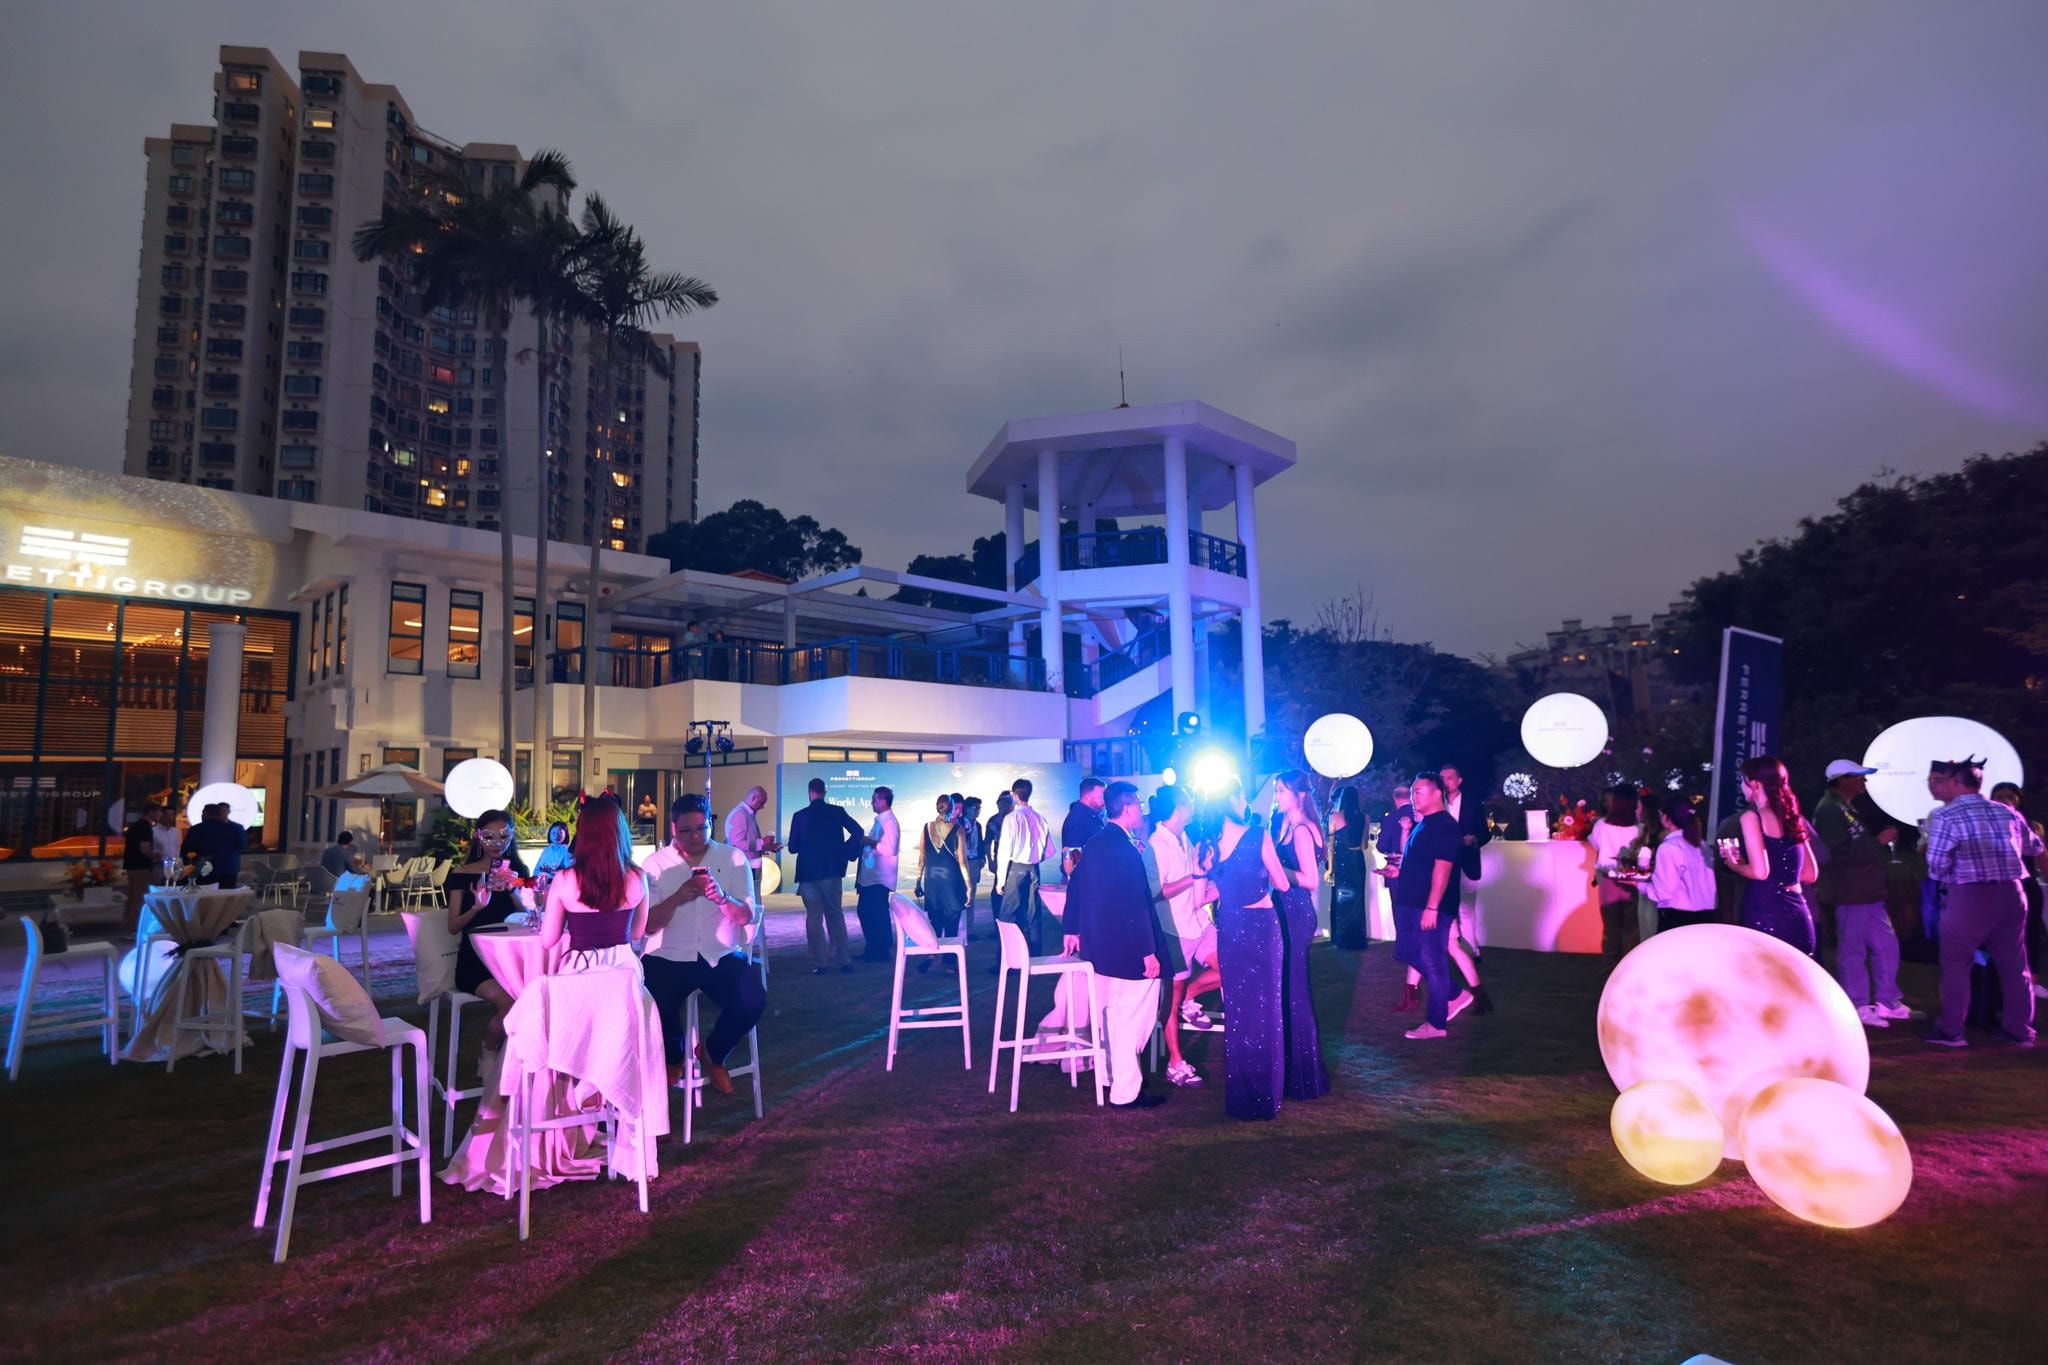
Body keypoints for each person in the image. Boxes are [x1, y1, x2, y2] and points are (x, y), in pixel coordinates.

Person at [642, 794, 765, 1091]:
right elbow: (647, 926)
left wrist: (722, 898)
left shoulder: (732, 858)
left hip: (718, 953)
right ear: (673, 829)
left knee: (753, 998)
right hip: (666, 954)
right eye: (686, 830)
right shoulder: (655, 865)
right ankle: (673, 1056)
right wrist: (679, 896)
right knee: (653, 1000)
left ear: (710, 824)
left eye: (701, 828)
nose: (695, 836)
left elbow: (746, 916)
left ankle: (714, 1051)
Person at [1062, 781, 1169, 1109]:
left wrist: (1072, 927)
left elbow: (1076, 885)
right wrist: (1147, 951)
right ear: (1126, 807)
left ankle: (1114, 1074)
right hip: (1128, 947)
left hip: (1104, 945)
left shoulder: (1097, 843)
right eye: (1137, 802)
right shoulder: (1123, 849)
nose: (1141, 808)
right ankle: (1124, 1087)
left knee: (1121, 1012)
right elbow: (1134, 904)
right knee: (1130, 1014)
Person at [1922, 758, 2042, 1047]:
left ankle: (1951, 1030)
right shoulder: (2007, 811)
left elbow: (1935, 865)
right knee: (2014, 963)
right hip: (2012, 893)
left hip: (1970, 894)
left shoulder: (1947, 817)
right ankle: (2019, 1029)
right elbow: (2034, 846)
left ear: (1955, 782)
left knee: (1955, 963)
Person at [1198, 777, 1297, 1118]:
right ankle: (1265, 1094)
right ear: (1234, 797)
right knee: (1267, 1008)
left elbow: (1201, 897)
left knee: (1237, 1011)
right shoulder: (1258, 835)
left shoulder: (1207, 843)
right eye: (1242, 796)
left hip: (1230, 926)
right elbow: (1282, 883)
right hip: (1261, 927)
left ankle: (1241, 1095)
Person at [1812, 759, 1910, 1027]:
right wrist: (1878, 841)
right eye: (1858, 777)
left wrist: (1875, 844)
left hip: (1866, 890)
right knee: (1853, 949)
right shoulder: (1829, 810)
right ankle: (1857, 1004)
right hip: (1850, 890)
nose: (1863, 782)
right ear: (1841, 779)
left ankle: (1887, 1001)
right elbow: (1834, 854)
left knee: (1886, 944)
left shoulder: (1843, 807)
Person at [1392, 772, 1475, 1039]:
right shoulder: (1424, 823)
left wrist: (1432, 907)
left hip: (1428, 907)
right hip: (1409, 902)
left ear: (1437, 793)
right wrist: (1396, 872)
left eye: (1419, 791)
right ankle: (1454, 993)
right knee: (1406, 952)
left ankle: (1436, 1024)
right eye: (1413, 791)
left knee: (1433, 961)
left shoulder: (1444, 825)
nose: (1413, 797)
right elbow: (1420, 864)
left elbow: (1443, 867)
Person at [1148, 784, 1217, 1087]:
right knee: (1170, 1001)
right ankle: (1176, 1063)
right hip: (1173, 930)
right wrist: (1195, 876)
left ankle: (1192, 997)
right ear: (1179, 807)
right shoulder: (1156, 843)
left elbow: (1197, 881)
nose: (1193, 807)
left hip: (1198, 921)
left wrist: (1207, 874)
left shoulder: (1185, 837)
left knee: (1233, 965)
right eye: (1189, 802)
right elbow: (1156, 892)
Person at [1718, 756, 1820, 956]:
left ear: (1755, 784)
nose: (1742, 786)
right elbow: (1810, 874)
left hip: (1765, 909)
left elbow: (1760, 872)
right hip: (1797, 912)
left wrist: (1733, 863)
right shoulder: (1794, 819)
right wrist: (1782, 871)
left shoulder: (1752, 817)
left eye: (1743, 780)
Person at [444, 809, 531, 1044]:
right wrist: (476, 908)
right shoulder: (462, 874)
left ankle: (520, 1065)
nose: (497, 843)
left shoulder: (517, 872)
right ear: (478, 836)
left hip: (512, 957)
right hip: (476, 961)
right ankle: (490, 1055)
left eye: (503, 836)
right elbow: (453, 926)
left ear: (512, 837)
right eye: (489, 836)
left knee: (538, 999)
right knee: (512, 1005)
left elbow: (527, 919)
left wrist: (513, 889)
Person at [1270, 771, 1331, 1099]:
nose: (1277, 796)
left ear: (1300, 795)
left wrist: (1277, 871)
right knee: (1286, 988)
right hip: (1284, 910)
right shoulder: (1284, 826)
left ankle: (1304, 1074)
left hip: (1295, 913)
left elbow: (1310, 880)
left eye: (1282, 791)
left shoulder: (1304, 831)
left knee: (1295, 990)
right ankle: (1291, 1065)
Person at [538, 793, 646, 972]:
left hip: (582, 968)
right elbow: (636, 933)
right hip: (624, 970)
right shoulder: (638, 876)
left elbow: (548, 940)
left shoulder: (564, 879)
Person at [786, 777, 865, 974]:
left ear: (809, 792)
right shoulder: (837, 812)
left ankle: (820, 963)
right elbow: (858, 831)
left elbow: (793, 847)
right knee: (835, 915)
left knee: (814, 918)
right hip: (831, 871)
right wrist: (845, 850)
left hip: (807, 873)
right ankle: (845, 960)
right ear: (824, 792)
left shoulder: (799, 816)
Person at [1989, 781, 2047, 999]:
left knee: (2031, 933)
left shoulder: (2031, 825)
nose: (2006, 800)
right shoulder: (1986, 823)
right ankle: (1999, 981)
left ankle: (2032, 980)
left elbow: (2041, 858)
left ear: (2019, 800)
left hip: (2027, 884)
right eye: (2000, 795)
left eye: (2010, 796)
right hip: (1999, 885)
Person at [992, 778, 1054, 958]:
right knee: (1033, 913)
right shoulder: (1040, 818)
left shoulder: (1012, 818)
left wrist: (1000, 880)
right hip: (1034, 869)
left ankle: (1007, 959)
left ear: (1014, 795)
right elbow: (1048, 851)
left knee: (1007, 915)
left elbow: (1004, 851)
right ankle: (1035, 956)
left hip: (1016, 868)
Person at [1645, 801, 1718, 934]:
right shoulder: (1703, 846)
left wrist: (1641, 886)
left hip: (1678, 918)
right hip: (1707, 916)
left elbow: (1664, 892)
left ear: (1666, 818)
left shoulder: (1669, 848)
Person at [1590, 784, 1644, 964]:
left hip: (1608, 881)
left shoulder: (1601, 825)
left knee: (1611, 930)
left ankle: (1609, 973)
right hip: (1633, 880)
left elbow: (1596, 844)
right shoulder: (1640, 827)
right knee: (1632, 929)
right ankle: (1629, 969)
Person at [854, 787, 900, 963]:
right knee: (870, 913)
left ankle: (879, 950)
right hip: (873, 877)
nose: (871, 802)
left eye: (874, 799)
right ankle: (875, 949)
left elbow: (889, 849)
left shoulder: (889, 822)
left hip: (878, 878)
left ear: (882, 800)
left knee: (874, 914)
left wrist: (867, 841)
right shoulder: (883, 821)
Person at [917, 794, 970, 944]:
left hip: (932, 883)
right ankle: (950, 962)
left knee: (935, 922)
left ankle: (932, 954)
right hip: (952, 882)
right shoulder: (958, 830)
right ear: (952, 808)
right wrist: (970, 887)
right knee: (952, 924)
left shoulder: (926, 827)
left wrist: (918, 881)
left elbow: (922, 858)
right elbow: (963, 863)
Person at [1328, 785, 1369, 950]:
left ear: (1343, 799)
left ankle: (1342, 939)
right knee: (1357, 900)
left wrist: (1330, 868)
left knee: (1342, 899)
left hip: (1342, 862)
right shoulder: (1365, 817)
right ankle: (1357, 939)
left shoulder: (1335, 817)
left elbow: (1331, 846)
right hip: (1358, 860)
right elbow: (1364, 845)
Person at [723, 786, 780, 899]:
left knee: (755, 898)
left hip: (751, 865)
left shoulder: (747, 814)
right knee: (750, 899)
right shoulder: (740, 814)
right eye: (761, 803)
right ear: (753, 798)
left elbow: (749, 842)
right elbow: (736, 844)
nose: (763, 807)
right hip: (746, 866)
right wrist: (762, 842)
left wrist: (767, 847)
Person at [180, 801, 244, 888]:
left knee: (205, 898)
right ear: (219, 814)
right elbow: (241, 846)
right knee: (227, 898)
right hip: (228, 870)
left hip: (203, 871)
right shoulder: (235, 829)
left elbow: (186, 851)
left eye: (202, 812)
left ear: (206, 813)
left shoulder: (196, 829)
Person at [120, 801, 163, 932]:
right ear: (152, 812)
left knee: (132, 896)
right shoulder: (145, 827)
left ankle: (127, 924)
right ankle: (135, 928)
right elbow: (145, 849)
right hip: (141, 867)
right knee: (139, 898)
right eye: (159, 812)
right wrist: (156, 856)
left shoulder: (134, 826)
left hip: (131, 865)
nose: (160, 815)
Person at [981, 792, 1014, 938]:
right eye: (999, 802)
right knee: (997, 894)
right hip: (1000, 861)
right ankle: (999, 928)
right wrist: (991, 861)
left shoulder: (1014, 818)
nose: (1001, 805)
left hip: (1014, 861)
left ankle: (1013, 927)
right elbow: (987, 843)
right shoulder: (993, 820)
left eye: (1004, 802)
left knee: (1012, 894)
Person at [1062, 777, 1107, 877]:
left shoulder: (1090, 817)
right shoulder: (1078, 819)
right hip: (1084, 881)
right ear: (1087, 796)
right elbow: (1073, 860)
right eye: (1101, 796)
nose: (1105, 800)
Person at [959, 796, 986, 935]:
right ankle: (960, 929)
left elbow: (981, 843)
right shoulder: (959, 823)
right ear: (967, 809)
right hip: (962, 862)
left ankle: (970, 930)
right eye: (975, 808)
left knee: (972, 896)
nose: (977, 811)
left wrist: (982, 858)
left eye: (979, 808)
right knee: (961, 894)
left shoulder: (979, 825)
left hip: (974, 862)